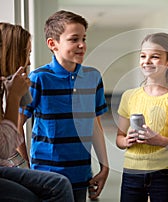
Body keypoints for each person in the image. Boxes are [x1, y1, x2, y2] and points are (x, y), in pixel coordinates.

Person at [18, 10, 109, 202]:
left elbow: (95, 125)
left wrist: (104, 165)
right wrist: (25, 168)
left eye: (84, 38)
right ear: (53, 44)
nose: (82, 45)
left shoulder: (93, 77)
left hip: (81, 173)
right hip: (47, 175)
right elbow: (17, 125)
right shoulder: (38, 79)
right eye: (74, 39)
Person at [0, 22, 75, 202]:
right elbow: (4, 148)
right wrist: (13, 98)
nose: (28, 61)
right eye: (26, 53)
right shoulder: (38, 77)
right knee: (55, 187)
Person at [116, 32, 168, 202]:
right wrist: (126, 141)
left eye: (155, 57)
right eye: (143, 56)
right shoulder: (129, 96)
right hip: (131, 173)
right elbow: (119, 139)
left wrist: (158, 140)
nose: (146, 61)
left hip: (164, 174)